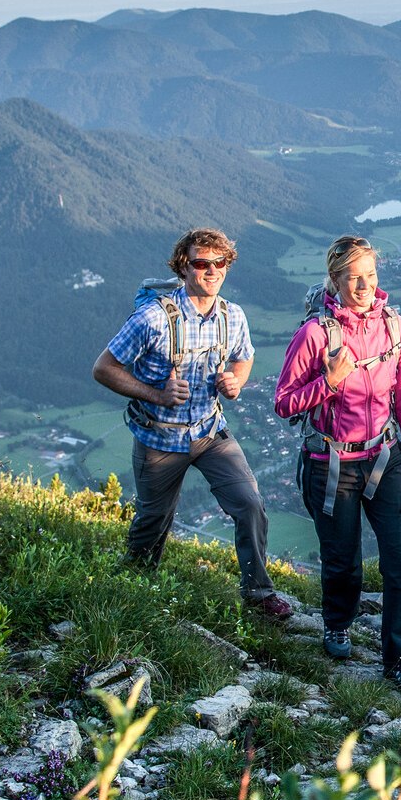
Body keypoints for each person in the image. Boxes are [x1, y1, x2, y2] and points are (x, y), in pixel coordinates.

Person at [92, 227, 291, 621]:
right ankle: (133, 590)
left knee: (250, 504)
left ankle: (258, 593)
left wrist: (236, 380)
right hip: (159, 437)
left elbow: (243, 356)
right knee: (153, 520)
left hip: (209, 432)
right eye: (202, 263)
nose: (212, 270)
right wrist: (156, 395)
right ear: (184, 267)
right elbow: (104, 368)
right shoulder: (152, 318)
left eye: (220, 263)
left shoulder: (233, 316)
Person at [274, 235, 401, 696]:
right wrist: (329, 380)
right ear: (335, 279)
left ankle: (400, 660)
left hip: (385, 456)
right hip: (331, 463)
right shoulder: (316, 335)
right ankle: (337, 623)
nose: (363, 286)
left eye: (371, 276)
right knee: (344, 562)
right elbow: (284, 403)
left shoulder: (395, 329)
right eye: (353, 277)